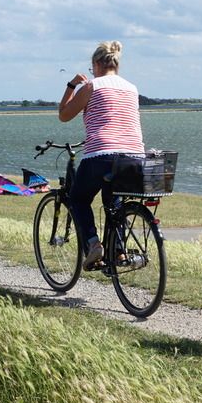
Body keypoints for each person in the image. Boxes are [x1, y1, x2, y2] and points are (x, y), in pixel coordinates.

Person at [59, 41, 145, 269]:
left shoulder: (92, 86)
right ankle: (118, 253)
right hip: (134, 155)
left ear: (96, 64)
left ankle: (93, 244)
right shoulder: (131, 87)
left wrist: (71, 86)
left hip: (102, 153)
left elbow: (64, 115)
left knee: (78, 199)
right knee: (113, 204)